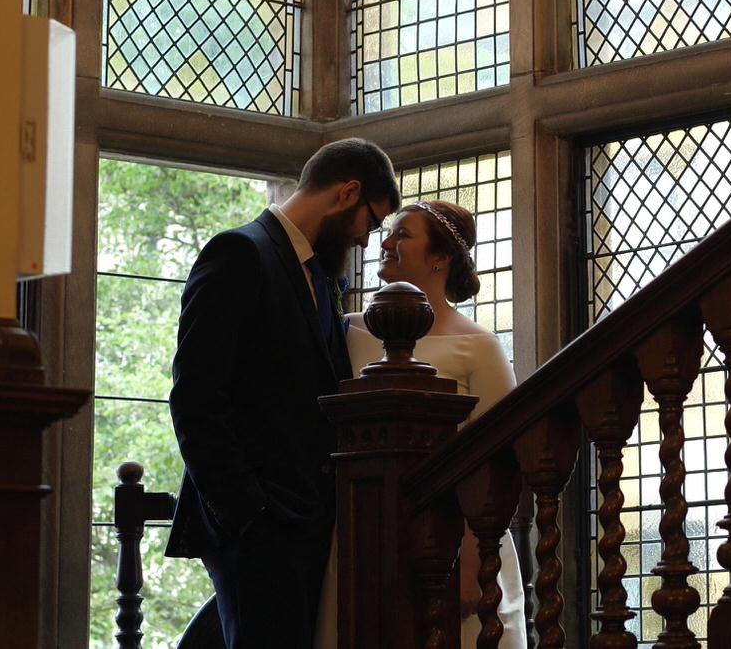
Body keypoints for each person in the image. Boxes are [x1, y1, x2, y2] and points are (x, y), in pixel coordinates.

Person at [167, 138, 400, 648]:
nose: (367, 240)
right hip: (260, 531)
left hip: (310, 528)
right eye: (372, 221)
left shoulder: (318, 275)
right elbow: (195, 397)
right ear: (348, 192)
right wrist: (251, 517)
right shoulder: (239, 253)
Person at [317, 199, 526, 649]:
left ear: (440, 258)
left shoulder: (479, 346)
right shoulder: (350, 332)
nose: (385, 242)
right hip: (364, 534)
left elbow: (500, 458)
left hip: (457, 540)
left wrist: (474, 558)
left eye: (402, 235)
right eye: (387, 233)